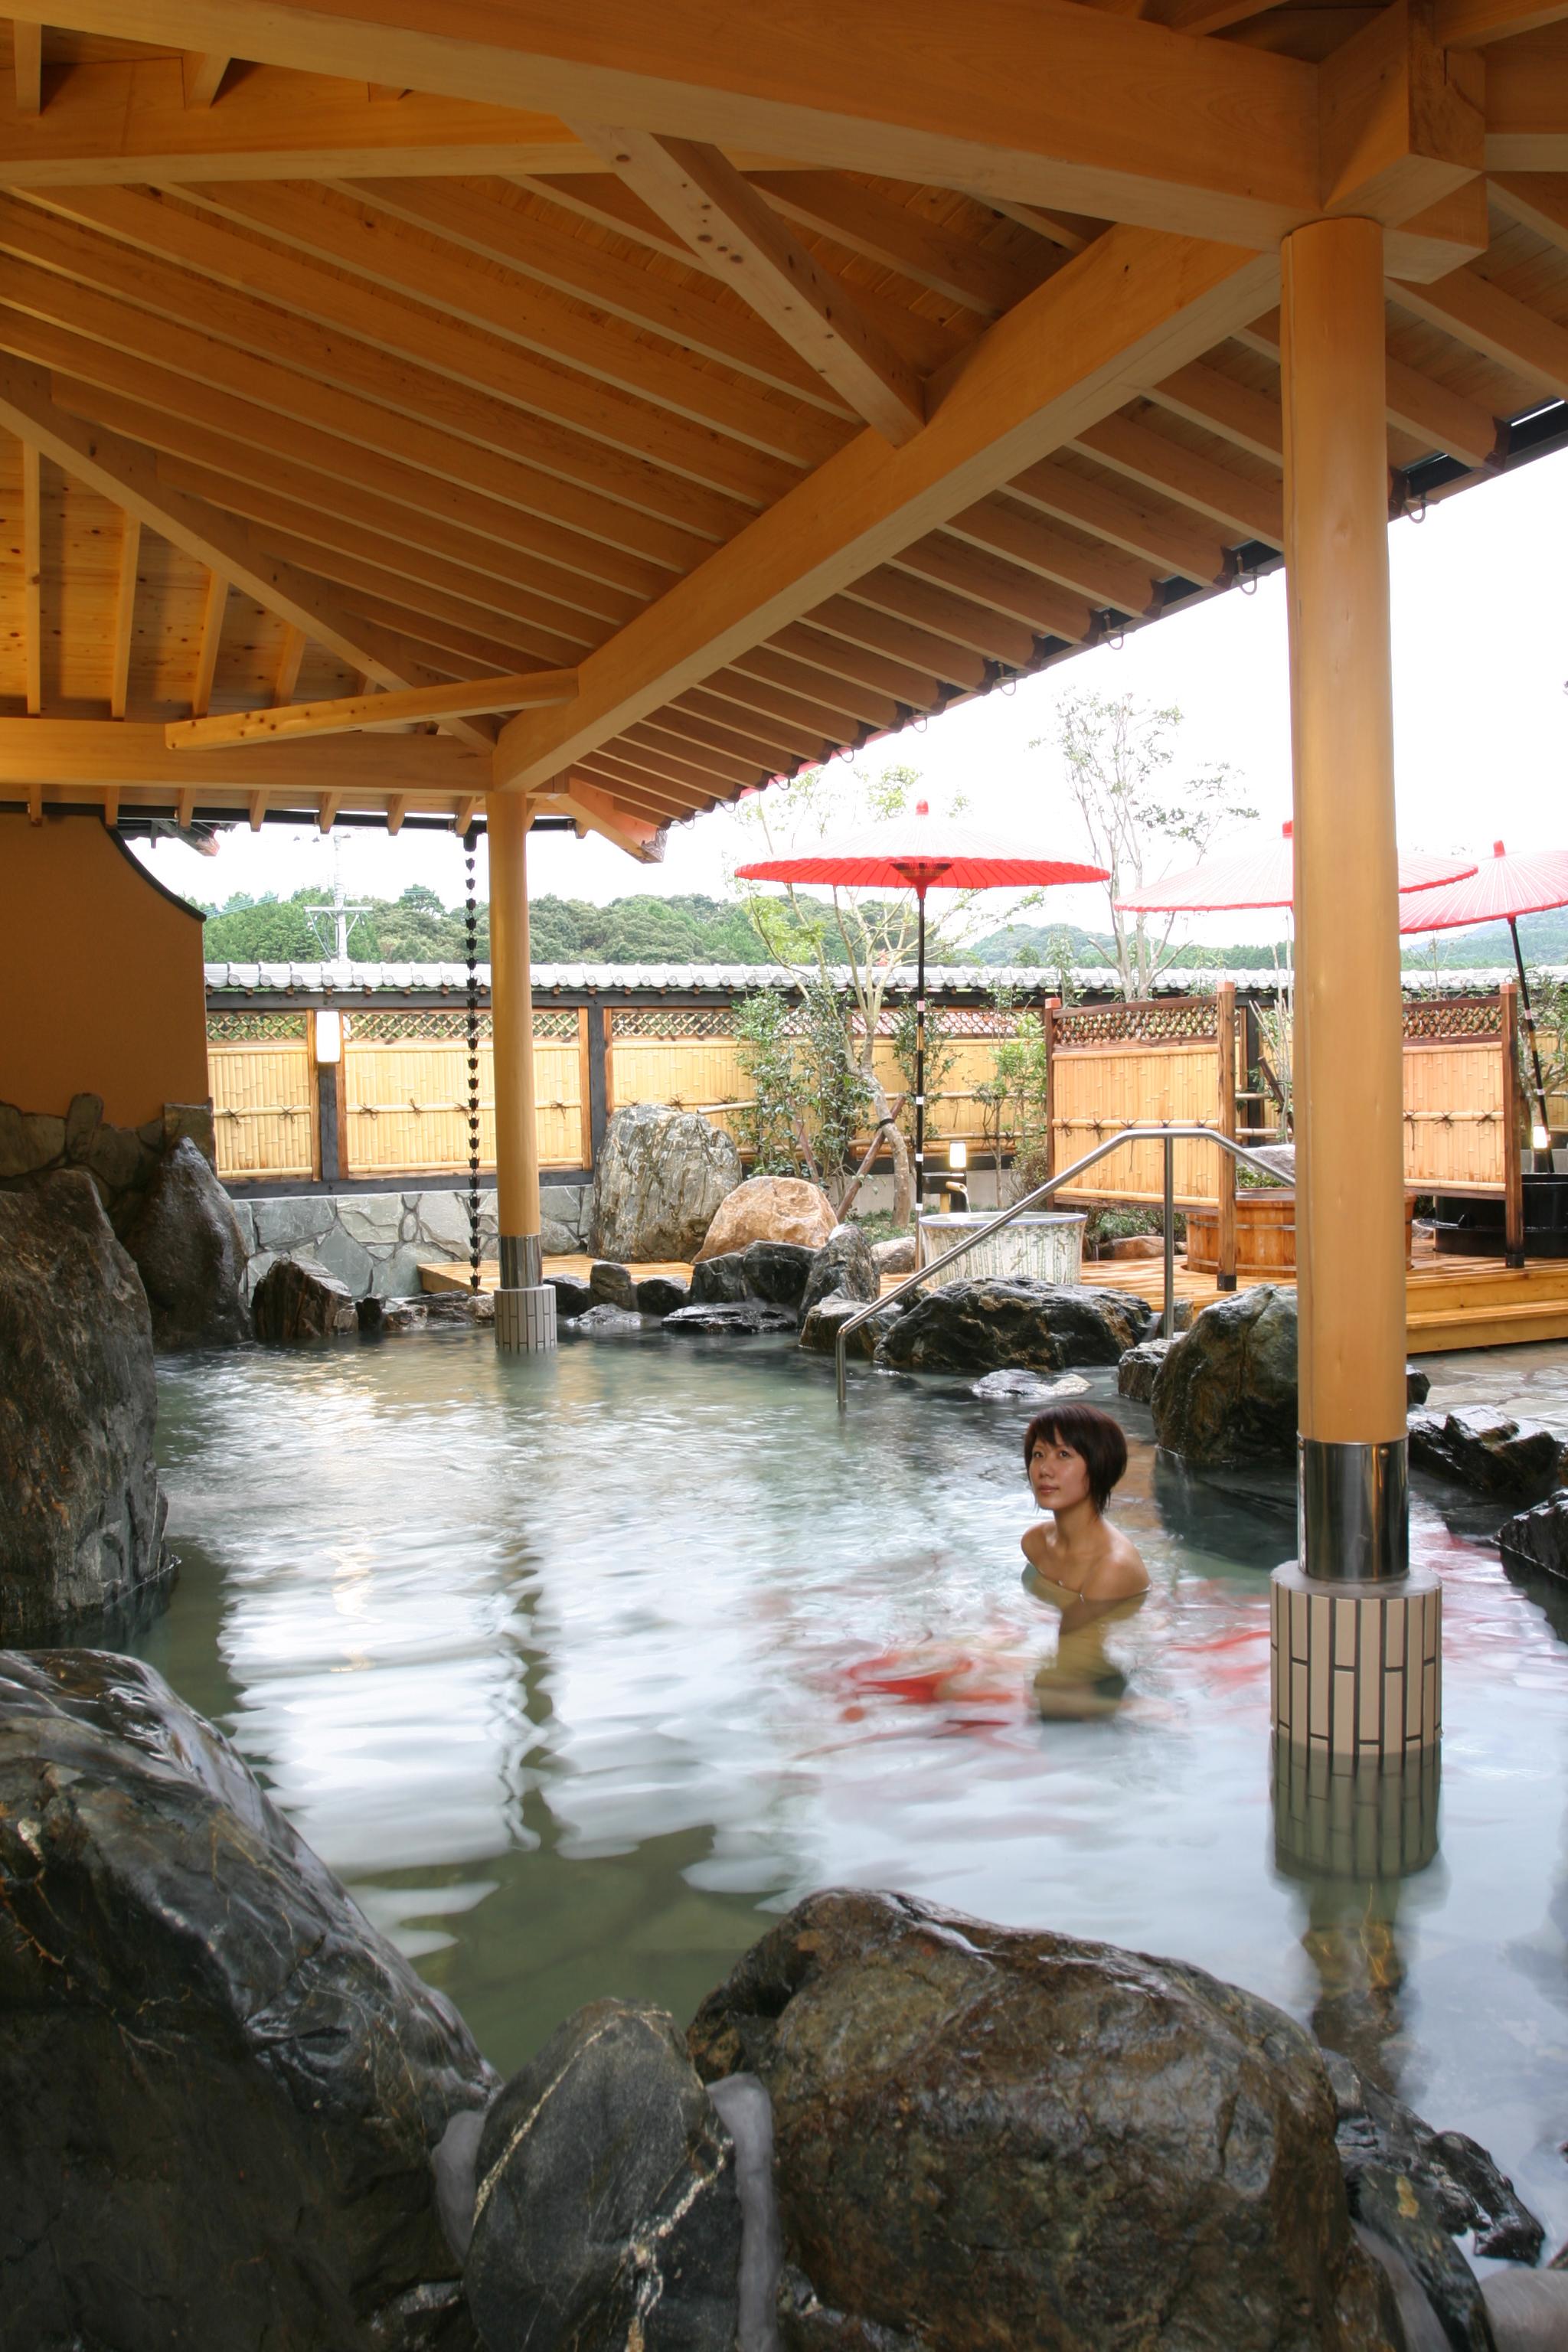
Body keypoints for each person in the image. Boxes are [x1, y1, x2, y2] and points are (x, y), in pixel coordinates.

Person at [1020, 1403, 1148, 1718]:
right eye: (1039, 1454)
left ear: (1099, 1465)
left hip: (1090, 1673)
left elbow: (1074, 1642)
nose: (1044, 1469)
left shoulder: (1110, 1569)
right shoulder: (1034, 1543)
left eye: (1064, 1455)